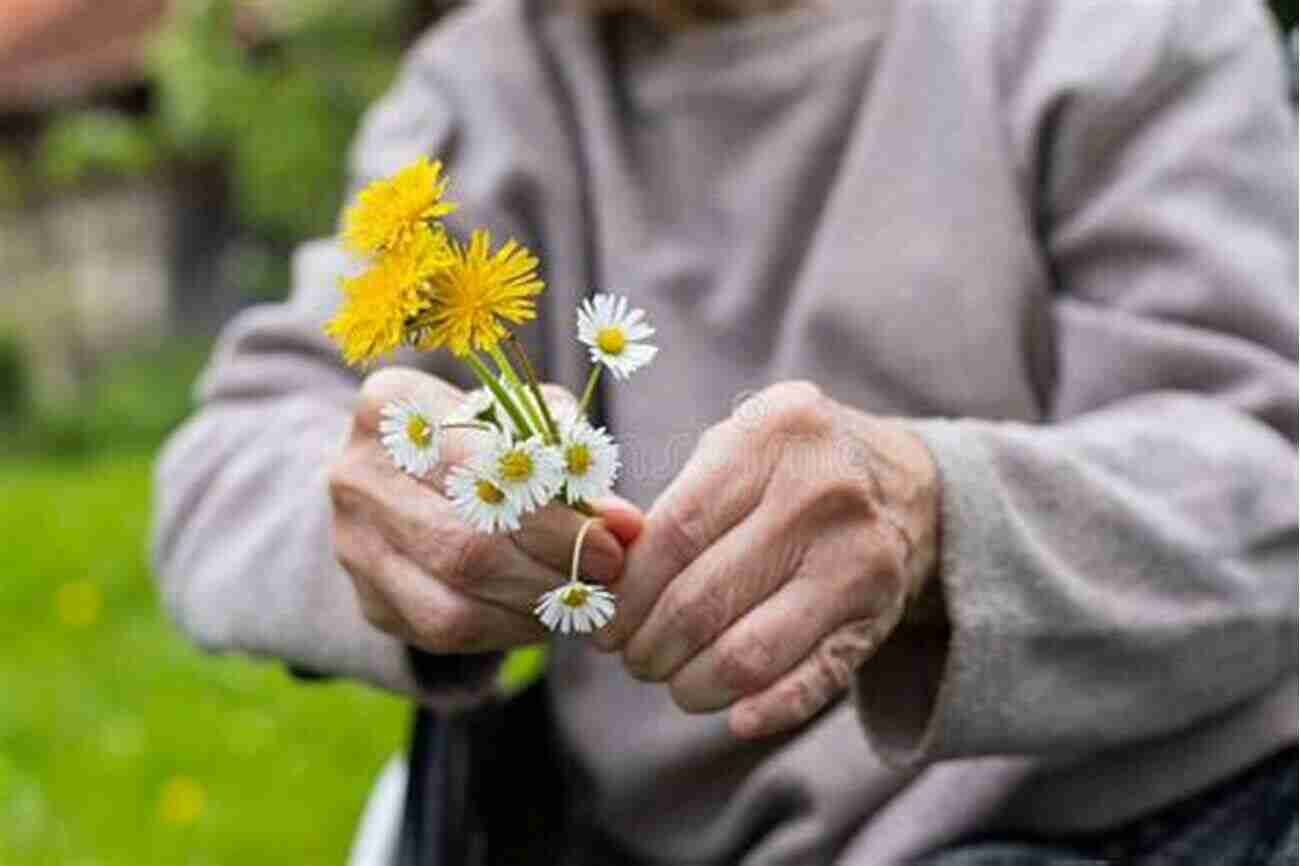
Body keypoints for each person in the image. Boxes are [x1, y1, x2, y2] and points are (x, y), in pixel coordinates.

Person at [152, 0, 1298, 862]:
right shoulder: (484, 87)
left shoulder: (1117, 26)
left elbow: (1268, 485)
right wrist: (372, 508)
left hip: (1130, 819)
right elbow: (225, 464)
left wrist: (937, 519)